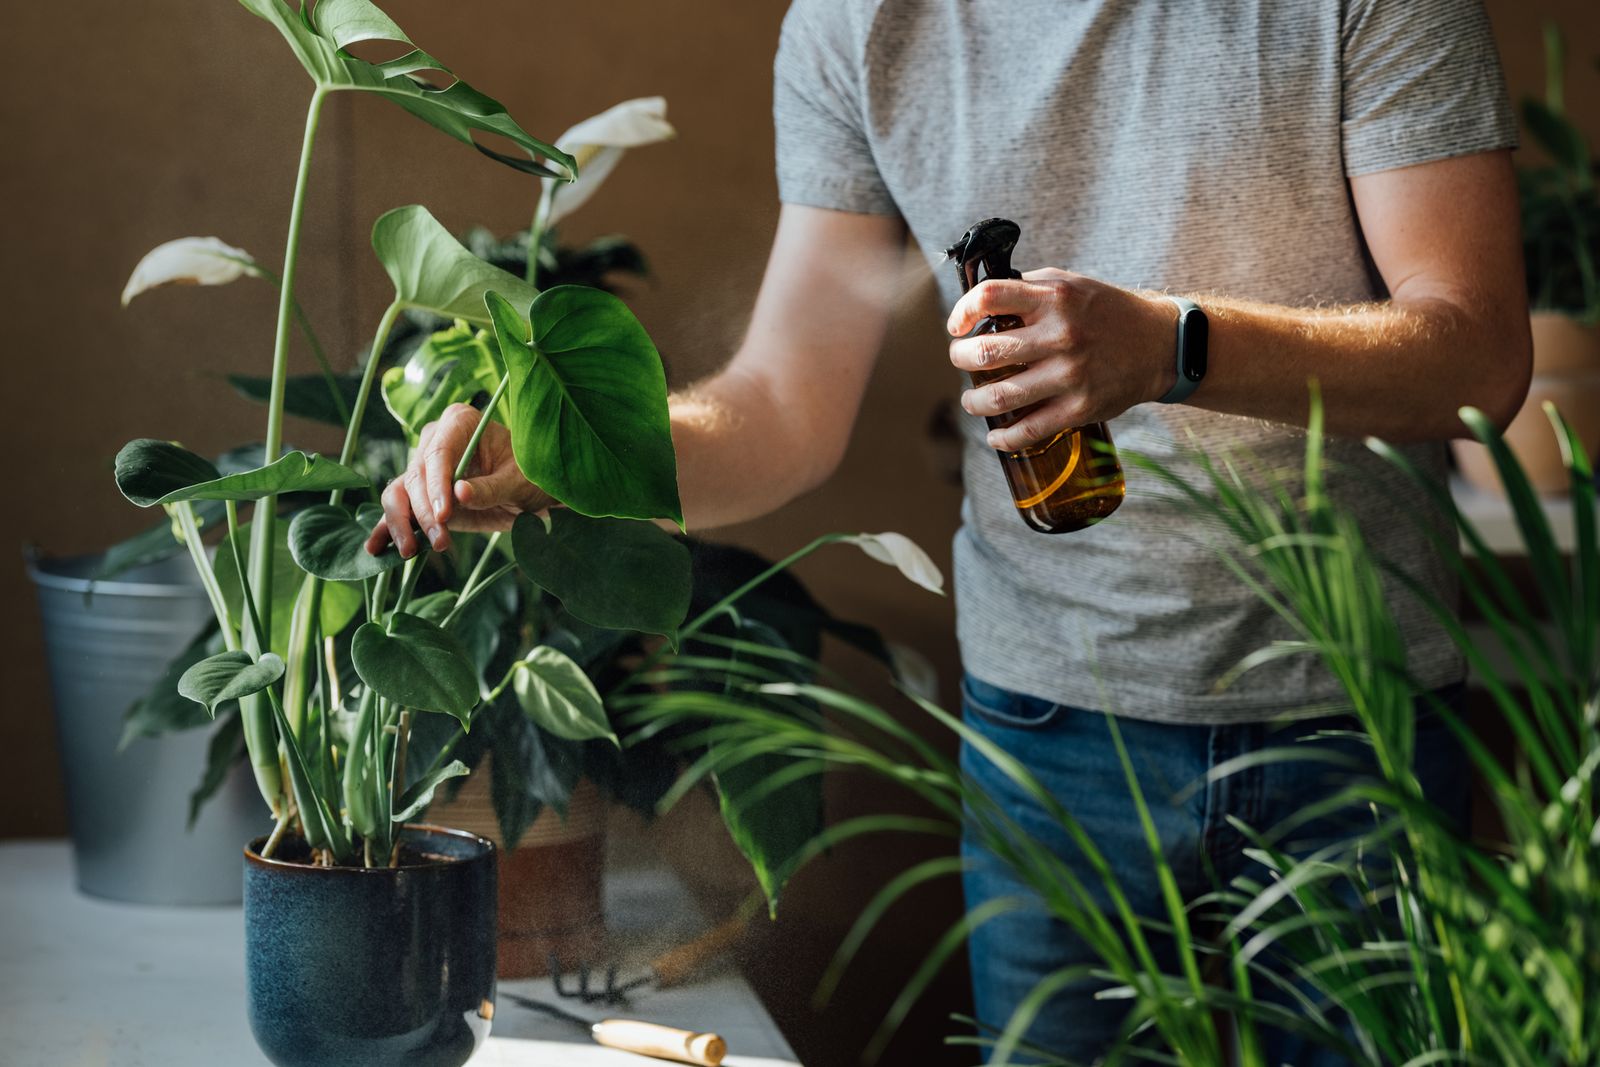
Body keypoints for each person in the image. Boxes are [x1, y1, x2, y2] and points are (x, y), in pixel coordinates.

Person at [368, 0, 1530, 1060]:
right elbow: (781, 409)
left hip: (1354, 711)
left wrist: (1173, 346)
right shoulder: (857, 27)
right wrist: (555, 457)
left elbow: (1475, 356)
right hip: (1049, 731)